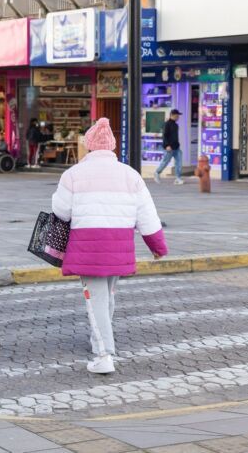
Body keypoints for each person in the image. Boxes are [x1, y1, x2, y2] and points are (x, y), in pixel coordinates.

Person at [52, 118, 168, 374]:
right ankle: (99, 339)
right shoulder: (130, 175)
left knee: (95, 300)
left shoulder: (73, 174)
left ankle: (104, 354)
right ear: (112, 147)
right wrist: (157, 246)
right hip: (118, 245)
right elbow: (147, 214)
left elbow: (60, 210)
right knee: (107, 296)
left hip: (88, 247)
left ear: (89, 145)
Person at [154, 109, 184, 185]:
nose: (178, 117)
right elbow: (164, 135)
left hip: (176, 147)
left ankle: (178, 178)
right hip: (169, 148)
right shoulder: (167, 124)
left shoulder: (176, 125)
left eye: (178, 116)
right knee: (165, 162)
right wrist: (167, 145)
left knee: (179, 163)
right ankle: (157, 172)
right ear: (172, 115)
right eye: (177, 116)